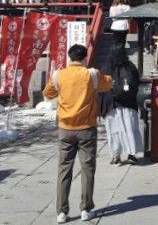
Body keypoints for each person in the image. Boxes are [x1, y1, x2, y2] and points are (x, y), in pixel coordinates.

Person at [43, 44, 114, 224]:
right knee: (87, 169)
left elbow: (48, 93)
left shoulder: (59, 75)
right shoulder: (91, 74)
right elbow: (108, 83)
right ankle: (86, 209)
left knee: (64, 169)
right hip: (86, 128)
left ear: (69, 57)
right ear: (85, 58)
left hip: (65, 128)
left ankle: (61, 212)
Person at [101, 48, 142, 167]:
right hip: (129, 104)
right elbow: (136, 84)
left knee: (114, 131)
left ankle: (116, 158)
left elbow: (100, 88)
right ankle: (131, 155)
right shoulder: (131, 67)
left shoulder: (106, 68)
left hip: (112, 105)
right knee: (130, 129)